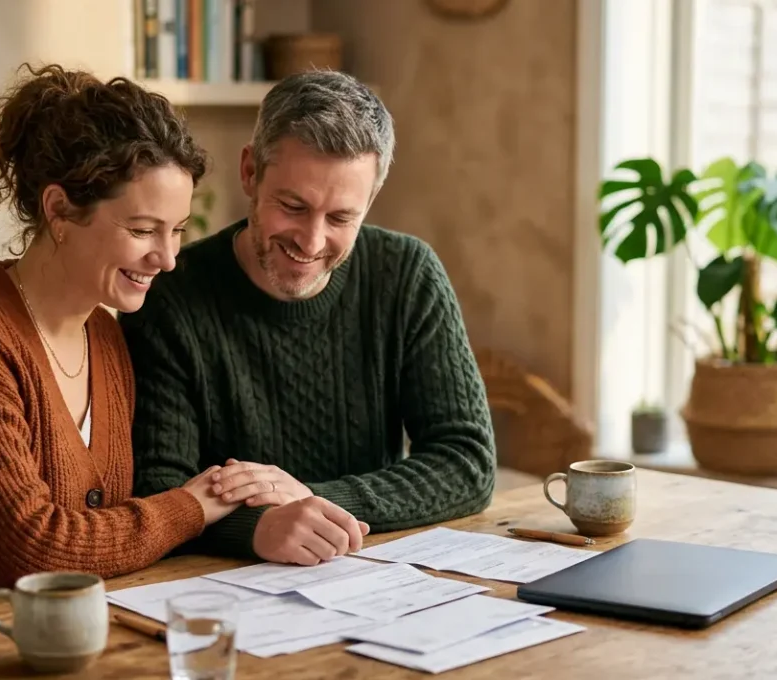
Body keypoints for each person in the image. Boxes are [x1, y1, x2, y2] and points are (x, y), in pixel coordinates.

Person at [0, 63, 236, 619]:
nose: (167, 258)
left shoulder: (104, 334)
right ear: (59, 210)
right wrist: (194, 504)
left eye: (177, 230)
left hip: (48, 644)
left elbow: (104, 528)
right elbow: (34, 553)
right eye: (144, 230)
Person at [121, 70, 496, 566]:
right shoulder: (170, 297)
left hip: (374, 578)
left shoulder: (408, 275)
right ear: (251, 172)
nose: (312, 242)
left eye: (341, 218)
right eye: (293, 206)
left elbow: (467, 462)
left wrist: (316, 501)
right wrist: (257, 529)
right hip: (221, 591)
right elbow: (159, 490)